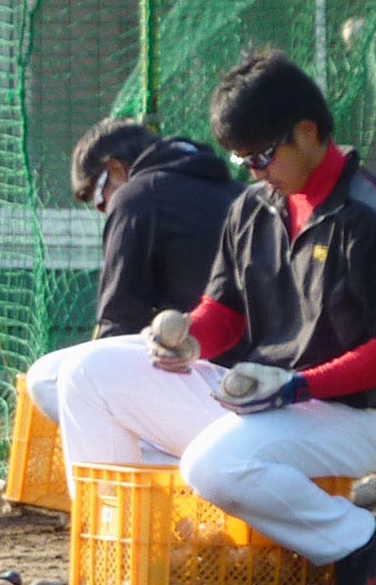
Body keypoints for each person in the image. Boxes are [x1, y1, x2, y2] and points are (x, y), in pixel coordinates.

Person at [53, 52, 376, 585]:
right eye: (240, 157)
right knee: (84, 370)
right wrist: (190, 341)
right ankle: (122, 555)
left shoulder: (371, 212)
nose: (252, 169)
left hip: (346, 415)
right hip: (262, 398)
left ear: (308, 132)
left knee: (211, 465)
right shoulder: (254, 205)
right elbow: (223, 310)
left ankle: (355, 538)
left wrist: (298, 387)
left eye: (261, 154)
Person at [22, 120, 247, 425]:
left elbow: (119, 320)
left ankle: (148, 457)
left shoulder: (137, 196)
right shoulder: (240, 193)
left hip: (200, 379)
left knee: (47, 377)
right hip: (255, 382)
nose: (104, 212)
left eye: (99, 200)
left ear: (116, 170)